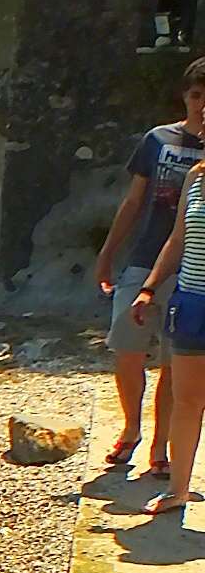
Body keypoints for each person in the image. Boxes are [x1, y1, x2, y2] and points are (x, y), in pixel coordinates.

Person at [94, 57, 205, 476]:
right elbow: (133, 201)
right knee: (127, 348)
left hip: (194, 269)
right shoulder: (158, 140)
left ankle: (161, 446)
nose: (201, 106)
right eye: (196, 96)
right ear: (185, 96)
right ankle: (130, 427)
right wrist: (107, 253)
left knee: (175, 363)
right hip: (144, 260)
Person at [130, 154, 205, 517]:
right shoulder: (196, 177)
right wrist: (149, 287)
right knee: (187, 401)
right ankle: (178, 490)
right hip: (191, 302)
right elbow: (177, 239)